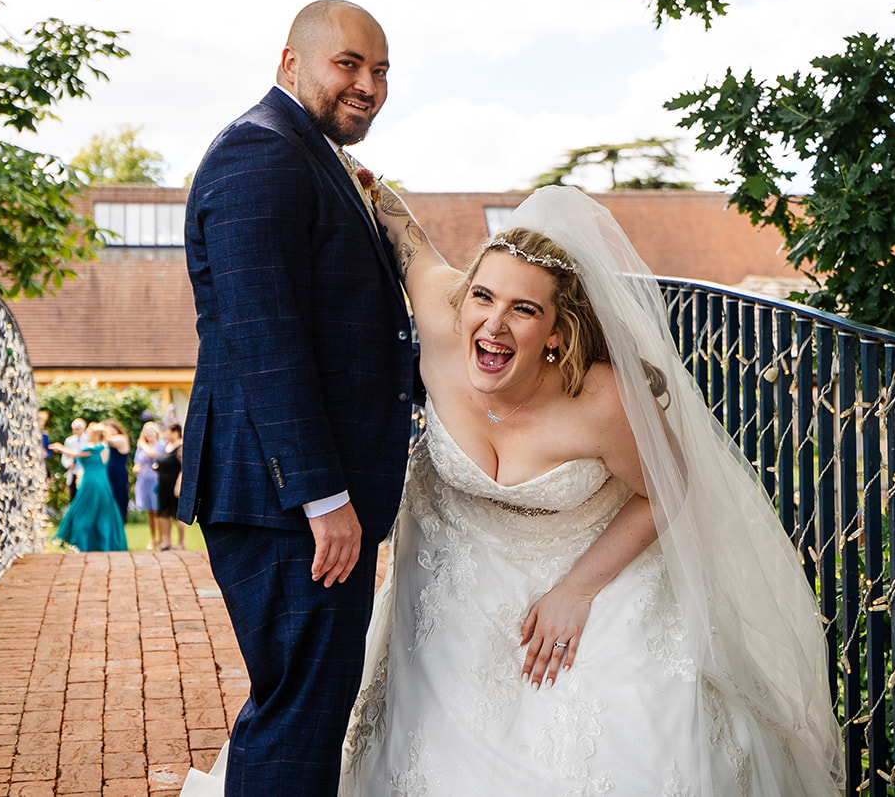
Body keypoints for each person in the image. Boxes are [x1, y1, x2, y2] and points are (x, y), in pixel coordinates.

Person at [338, 185, 843, 796]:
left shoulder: (602, 400)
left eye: (523, 309)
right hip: (453, 575)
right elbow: (406, 236)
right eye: (483, 296)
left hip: (586, 561)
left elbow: (667, 488)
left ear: (556, 332)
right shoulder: (444, 324)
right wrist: (357, 172)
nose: (493, 323)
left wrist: (577, 589)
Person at [179, 0, 418, 796]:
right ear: (291, 64)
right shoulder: (261, 153)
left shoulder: (308, 154)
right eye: (347, 64)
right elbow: (265, 339)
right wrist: (323, 496)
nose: (368, 85)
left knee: (306, 707)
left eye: (379, 70)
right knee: (298, 713)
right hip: (288, 499)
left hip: (300, 496)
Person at [50, 423, 129, 552]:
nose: (88, 436)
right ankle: (99, 542)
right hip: (101, 482)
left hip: (92, 483)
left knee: (84, 511)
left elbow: (75, 454)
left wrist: (60, 448)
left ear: (95, 435)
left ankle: (83, 542)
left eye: (90, 433)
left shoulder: (96, 448)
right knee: (101, 512)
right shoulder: (104, 447)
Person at [154, 423, 185, 550]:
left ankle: (181, 542)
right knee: (163, 512)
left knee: (176, 513)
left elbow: (184, 467)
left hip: (174, 483)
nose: (168, 435)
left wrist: (179, 484)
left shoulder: (181, 446)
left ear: (176, 432)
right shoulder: (167, 446)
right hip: (163, 484)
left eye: (169, 432)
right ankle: (166, 541)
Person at [134, 421, 166, 534]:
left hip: (157, 480)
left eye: (152, 431)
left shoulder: (161, 445)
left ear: (156, 432)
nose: (150, 434)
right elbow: (138, 462)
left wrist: (143, 445)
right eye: (147, 432)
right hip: (144, 480)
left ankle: (162, 537)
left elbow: (154, 454)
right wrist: (136, 468)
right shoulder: (141, 448)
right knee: (150, 511)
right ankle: (154, 539)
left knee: (158, 509)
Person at [101, 418, 133, 521]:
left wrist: (100, 433)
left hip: (117, 474)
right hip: (106, 474)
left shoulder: (121, 439)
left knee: (118, 499)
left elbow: (108, 440)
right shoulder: (104, 443)